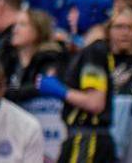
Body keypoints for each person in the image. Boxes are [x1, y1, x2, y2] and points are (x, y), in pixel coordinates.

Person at [36, 23, 116, 162]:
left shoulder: (94, 51)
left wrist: (59, 90)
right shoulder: (92, 50)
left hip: (87, 139)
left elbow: (95, 102)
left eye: (74, 10)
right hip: (83, 137)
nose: (70, 16)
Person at [4, 9, 66, 104]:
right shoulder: (8, 57)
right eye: (15, 25)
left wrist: (4, 93)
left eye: (22, 25)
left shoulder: (49, 58)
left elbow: (40, 87)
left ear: (38, 30)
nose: (15, 30)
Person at [106, 6, 132, 91]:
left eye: (131, 27)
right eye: (119, 27)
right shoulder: (99, 58)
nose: (125, 33)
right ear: (108, 30)